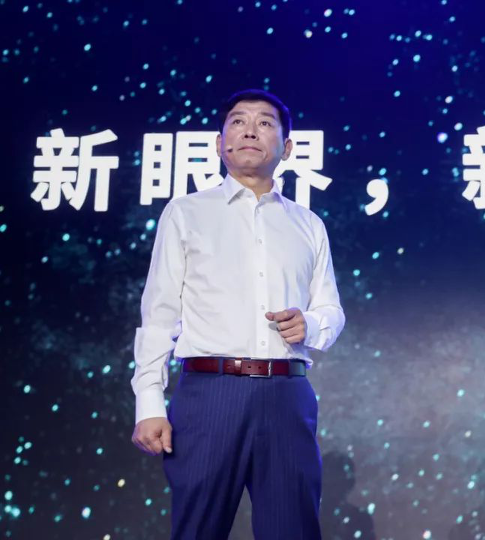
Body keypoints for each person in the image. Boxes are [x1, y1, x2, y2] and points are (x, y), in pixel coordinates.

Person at [130, 88, 345, 539]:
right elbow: (159, 315)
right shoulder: (186, 213)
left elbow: (331, 309)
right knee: (198, 530)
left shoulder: (308, 224)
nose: (250, 130)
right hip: (210, 393)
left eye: (265, 123)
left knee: (293, 530)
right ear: (219, 142)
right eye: (238, 121)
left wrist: (310, 324)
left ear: (287, 147)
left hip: (287, 394)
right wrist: (149, 403)